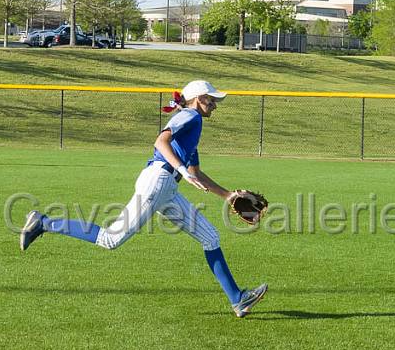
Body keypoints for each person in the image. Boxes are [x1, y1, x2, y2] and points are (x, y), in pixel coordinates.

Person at [20, 79, 268, 318]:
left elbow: (195, 173)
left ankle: (238, 299)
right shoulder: (191, 116)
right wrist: (180, 170)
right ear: (199, 99)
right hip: (158, 183)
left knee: (210, 237)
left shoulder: (192, 128)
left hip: (167, 189)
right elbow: (161, 141)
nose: (215, 104)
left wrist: (227, 195)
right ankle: (43, 223)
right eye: (212, 100)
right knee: (110, 239)